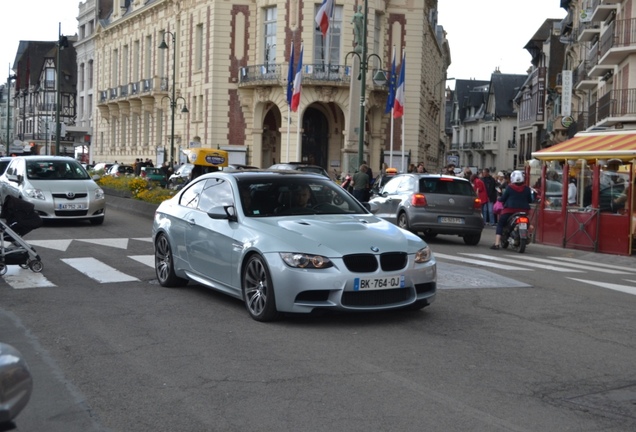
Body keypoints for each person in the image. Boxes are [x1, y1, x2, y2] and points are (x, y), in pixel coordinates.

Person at [490, 170, 534, 250]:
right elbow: (530, 200)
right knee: (528, 223)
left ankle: (496, 243)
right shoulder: (527, 189)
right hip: (524, 211)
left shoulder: (509, 188)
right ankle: (526, 236)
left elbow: (503, 198)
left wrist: (499, 198)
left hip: (510, 210)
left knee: (500, 223)